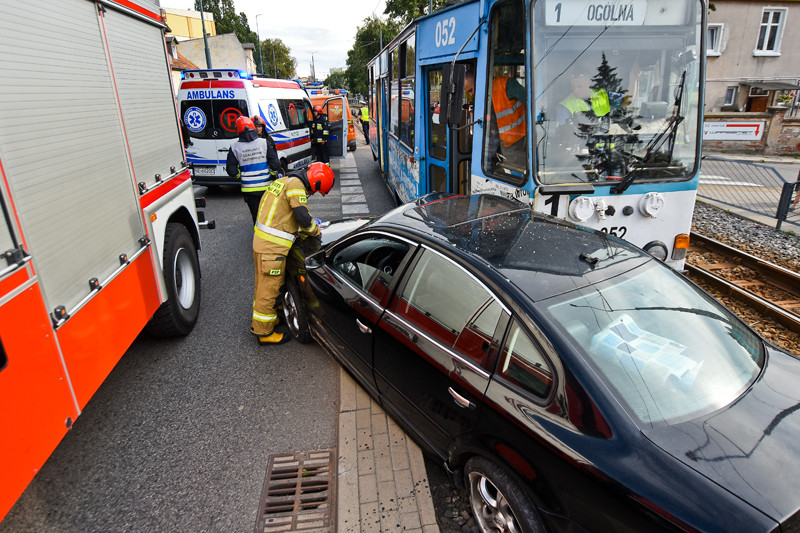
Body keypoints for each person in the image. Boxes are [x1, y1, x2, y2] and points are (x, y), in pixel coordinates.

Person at [250, 162, 335, 345]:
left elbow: (282, 215)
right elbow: (302, 217)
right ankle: (264, 333)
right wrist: (315, 231)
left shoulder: (284, 181)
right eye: (313, 192)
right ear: (315, 183)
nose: (311, 195)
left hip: (263, 242)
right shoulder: (296, 186)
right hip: (273, 247)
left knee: (262, 285)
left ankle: (267, 320)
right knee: (269, 289)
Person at [226, 116, 281, 224]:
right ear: (252, 127)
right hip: (266, 187)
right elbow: (275, 165)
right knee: (270, 215)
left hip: (249, 190)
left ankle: (259, 238)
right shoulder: (264, 143)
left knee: (256, 217)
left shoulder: (234, 147)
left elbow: (231, 170)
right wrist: (271, 174)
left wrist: (241, 176)